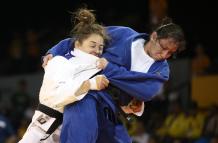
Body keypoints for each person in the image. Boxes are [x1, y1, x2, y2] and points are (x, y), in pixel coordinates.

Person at [43, 12, 186, 143]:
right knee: (81, 134)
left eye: (170, 53)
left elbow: (146, 91)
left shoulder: (162, 69)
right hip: (87, 92)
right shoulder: (124, 34)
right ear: (154, 36)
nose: (165, 55)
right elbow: (85, 39)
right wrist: (55, 51)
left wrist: (109, 68)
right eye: (163, 47)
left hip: (111, 108)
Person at [19, 8, 110, 143]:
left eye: (101, 47)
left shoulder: (97, 66)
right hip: (46, 124)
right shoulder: (59, 62)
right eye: (93, 45)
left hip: (74, 128)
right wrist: (89, 84)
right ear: (78, 44)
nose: (97, 51)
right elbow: (54, 97)